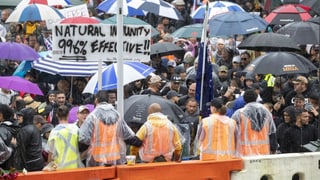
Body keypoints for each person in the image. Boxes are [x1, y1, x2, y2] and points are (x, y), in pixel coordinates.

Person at [79, 90, 142, 166]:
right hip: (115, 156)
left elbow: (83, 138)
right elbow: (128, 134)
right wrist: (139, 142)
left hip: (97, 158)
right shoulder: (117, 115)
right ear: (108, 100)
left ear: (96, 100)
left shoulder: (92, 116)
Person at [231, 89, 277, 156]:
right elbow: (272, 131)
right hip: (263, 152)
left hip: (245, 153)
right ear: (256, 98)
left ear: (244, 99)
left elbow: (231, 133)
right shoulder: (266, 112)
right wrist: (273, 148)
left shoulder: (239, 114)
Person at [46, 105, 83, 169]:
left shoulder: (54, 132)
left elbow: (51, 153)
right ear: (68, 114)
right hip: (74, 166)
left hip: (59, 167)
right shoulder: (75, 129)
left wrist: (49, 165)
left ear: (57, 115)